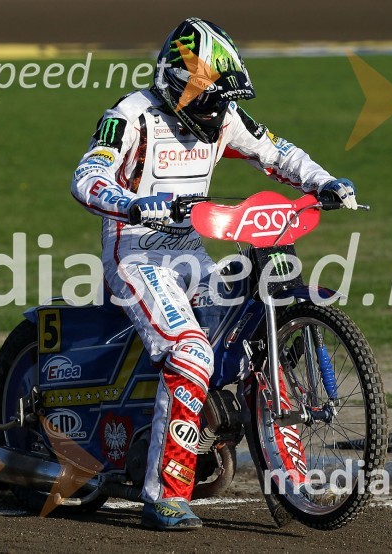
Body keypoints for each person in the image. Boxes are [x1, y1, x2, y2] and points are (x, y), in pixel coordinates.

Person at [70, 17, 358, 531]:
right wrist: (135, 206)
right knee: (192, 351)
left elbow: (278, 153)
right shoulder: (130, 115)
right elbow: (88, 175)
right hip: (135, 255)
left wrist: (325, 181)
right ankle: (165, 495)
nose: (220, 110)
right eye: (210, 98)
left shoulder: (224, 116)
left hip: (189, 252)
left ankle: (287, 478)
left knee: (253, 339)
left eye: (224, 99)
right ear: (177, 88)